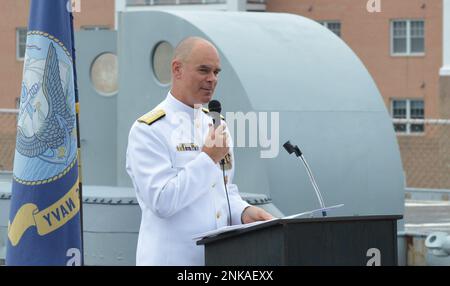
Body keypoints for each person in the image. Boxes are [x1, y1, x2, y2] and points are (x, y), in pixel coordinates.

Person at [126, 36, 273, 266]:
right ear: (177, 69)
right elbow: (162, 201)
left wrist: (243, 211)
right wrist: (207, 158)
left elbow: (221, 190)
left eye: (216, 72)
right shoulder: (149, 130)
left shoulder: (215, 124)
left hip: (216, 260)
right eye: (204, 70)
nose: (212, 79)